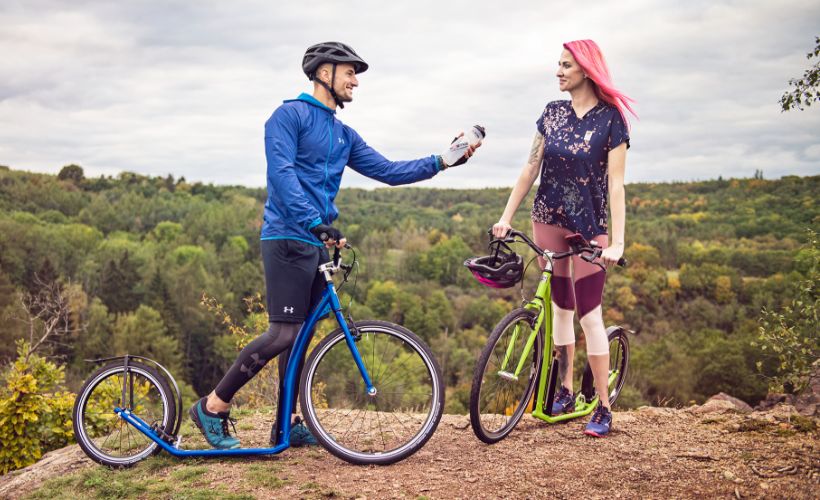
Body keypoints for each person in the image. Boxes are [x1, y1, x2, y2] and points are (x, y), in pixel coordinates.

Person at [189, 41, 481, 449]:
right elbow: (282, 174)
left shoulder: (343, 134)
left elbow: (389, 171)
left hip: (314, 241)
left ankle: (286, 423)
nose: (355, 81)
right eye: (349, 72)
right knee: (281, 333)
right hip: (286, 237)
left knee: (301, 336)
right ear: (323, 72)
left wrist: (443, 161)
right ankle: (213, 406)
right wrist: (314, 222)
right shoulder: (287, 117)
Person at [491, 39, 635, 437]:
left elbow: (617, 185)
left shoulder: (611, 120)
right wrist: (505, 217)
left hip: (590, 227)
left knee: (590, 314)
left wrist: (617, 242)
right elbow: (530, 169)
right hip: (547, 220)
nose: (558, 71)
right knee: (561, 307)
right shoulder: (551, 115)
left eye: (566, 65)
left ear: (586, 70)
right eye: (557, 64)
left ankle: (603, 407)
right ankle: (567, 389)